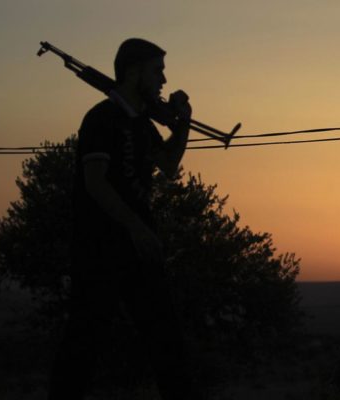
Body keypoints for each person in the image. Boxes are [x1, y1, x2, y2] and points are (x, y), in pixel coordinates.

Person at [49, 38, 204, 400]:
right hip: (99, 248)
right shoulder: (101, 119)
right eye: (157, 71)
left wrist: (183, 123)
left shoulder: (142, 125)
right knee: (83, 344)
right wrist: (136, 227)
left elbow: (168, 166)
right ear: (134, 72)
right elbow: (95, 183)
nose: (163, 80)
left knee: (167, 342)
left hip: (139, 248)